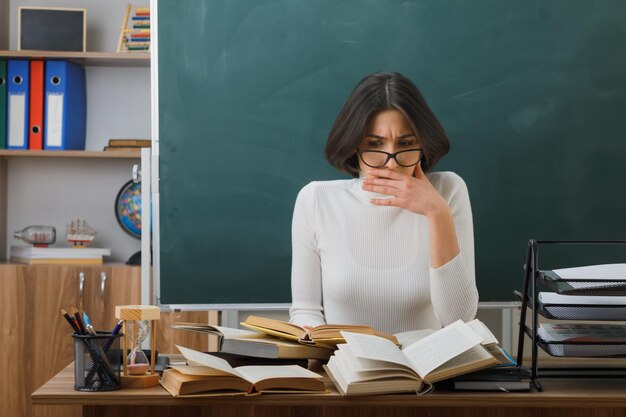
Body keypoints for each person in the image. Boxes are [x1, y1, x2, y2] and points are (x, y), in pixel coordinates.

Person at [289, 72, 478, 335]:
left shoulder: (447, 190)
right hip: (344, 368)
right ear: (355, 145)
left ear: (423, 144)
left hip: (426, 371)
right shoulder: (316, 199)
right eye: (375, 144)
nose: (391, 161)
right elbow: (305, 311)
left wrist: (437, 212)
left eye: (405, 143)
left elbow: (460, 319)